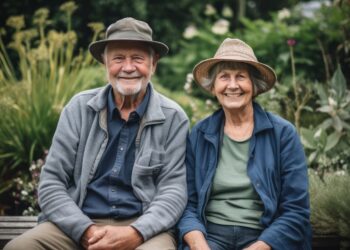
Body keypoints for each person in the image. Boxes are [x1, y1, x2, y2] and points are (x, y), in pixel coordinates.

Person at [5, 17, 189, 250]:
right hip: (78, 221)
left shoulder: (173, 117)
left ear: (153, 64)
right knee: (19, 247)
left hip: (144, 227)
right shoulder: (79, 108)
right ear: (105, 63)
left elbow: (174, 191)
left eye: (138, 59)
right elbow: (51, 182)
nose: (128, 67)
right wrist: (85, 231)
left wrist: (136, 233)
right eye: (118, 58)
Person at [177, 38, 312, 250]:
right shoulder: (200, 134)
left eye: (240, 77)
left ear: (254, 86)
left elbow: (296, 210)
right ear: (213, 87)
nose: (232, 85)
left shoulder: (283, 134)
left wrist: (260, 246)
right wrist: (199, 245)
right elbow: (187, 204)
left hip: (265, 237)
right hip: (210, 234)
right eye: (224, 77)